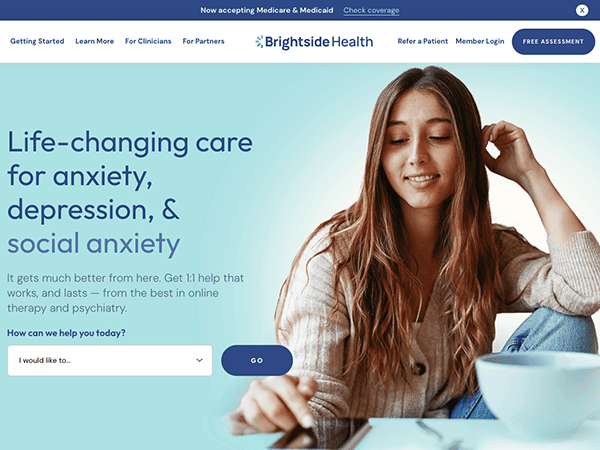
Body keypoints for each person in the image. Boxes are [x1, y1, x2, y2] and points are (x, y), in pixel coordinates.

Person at [226, 66, 600, 434]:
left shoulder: (489, 248)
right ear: (379, 155)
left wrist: (531, 175)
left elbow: (585, 290)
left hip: (461, 432)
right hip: (364, 440)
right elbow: (318, 402)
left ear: (467, 149)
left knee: (569, 326)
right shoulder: (334, 256)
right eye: (398, 140)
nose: (417, 155)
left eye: (438, 137)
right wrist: (283, 411)